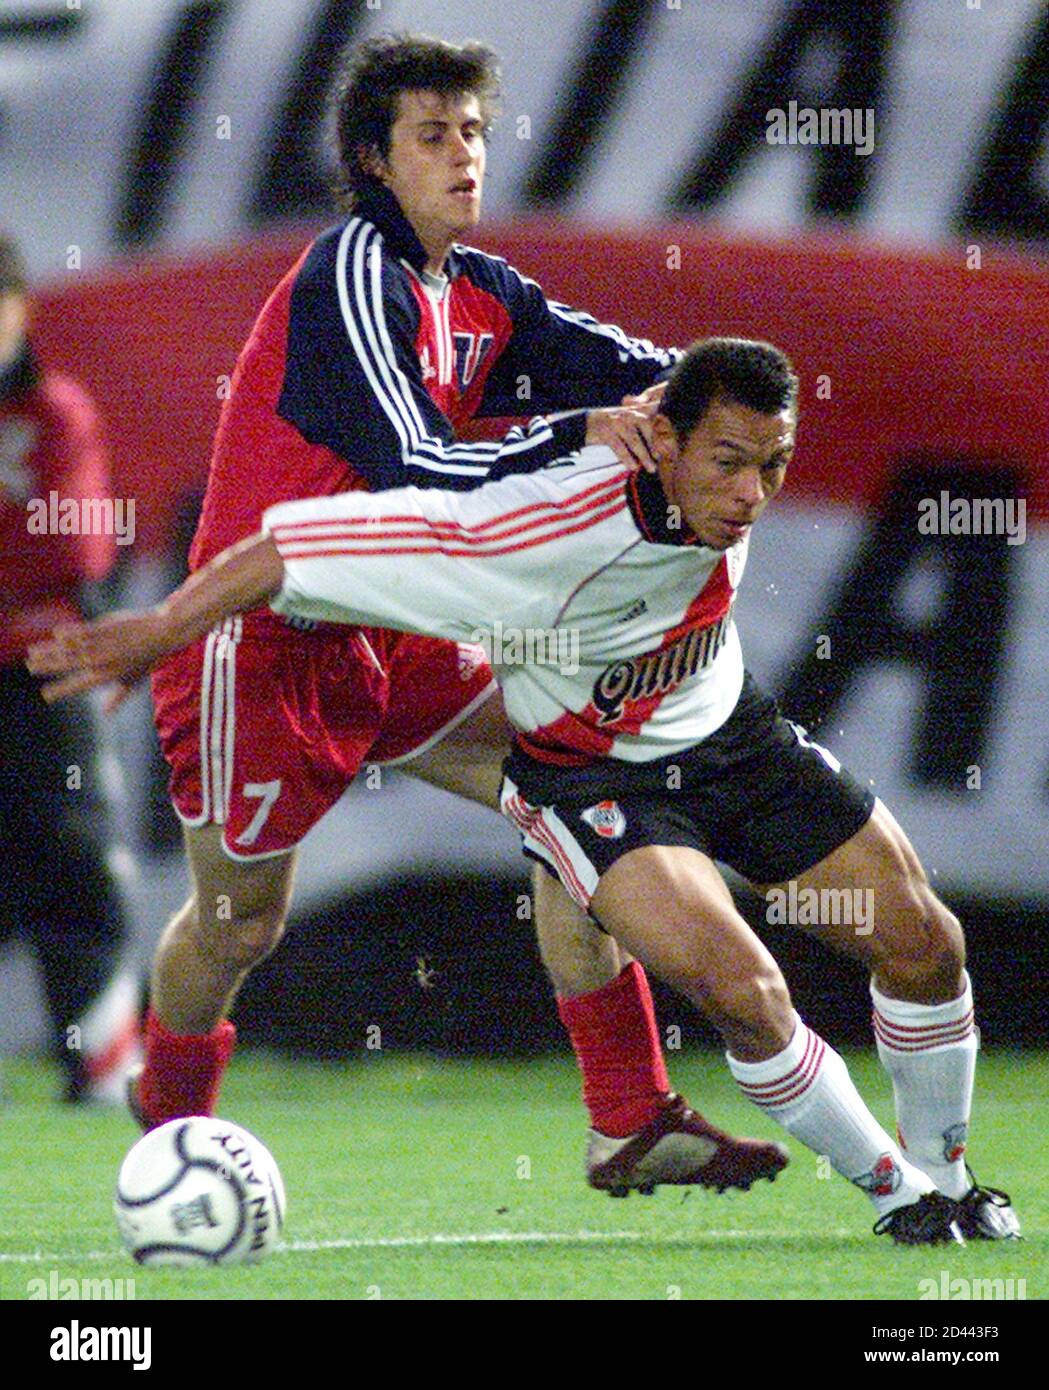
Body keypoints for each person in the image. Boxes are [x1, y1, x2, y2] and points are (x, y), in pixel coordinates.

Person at [30, 337, 1022, 1243]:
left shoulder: (694, 426)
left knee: (927, 944)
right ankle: (897, 1196)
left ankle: (938, 1174)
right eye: (727, 462)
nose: (751, 491)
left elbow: (603, 356)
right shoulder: (528, 532)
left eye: (771, 464)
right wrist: (159, 625)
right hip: (599, 784)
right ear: (659, 442)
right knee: (745, 990)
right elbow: (289, 543)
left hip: (734, 735)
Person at [65, 34, 785, 1193]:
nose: (464, 156)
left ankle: (627, 1115)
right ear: (372, 159)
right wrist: (573, 431)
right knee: (239, 925)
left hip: (390, 632)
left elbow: (624, 369)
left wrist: (706, 409)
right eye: (433, 135)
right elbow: (410, 459)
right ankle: (167, 1145)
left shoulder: (481, 291)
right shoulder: (352, 271)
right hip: (263, 639)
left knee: (576, 791)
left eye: (474, 132)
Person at [0, 232, 140, 1103]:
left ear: (21, 310)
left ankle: (100, 1057)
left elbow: (71, 556)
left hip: (38, 673)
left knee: (74, 856)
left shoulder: (55, 411)